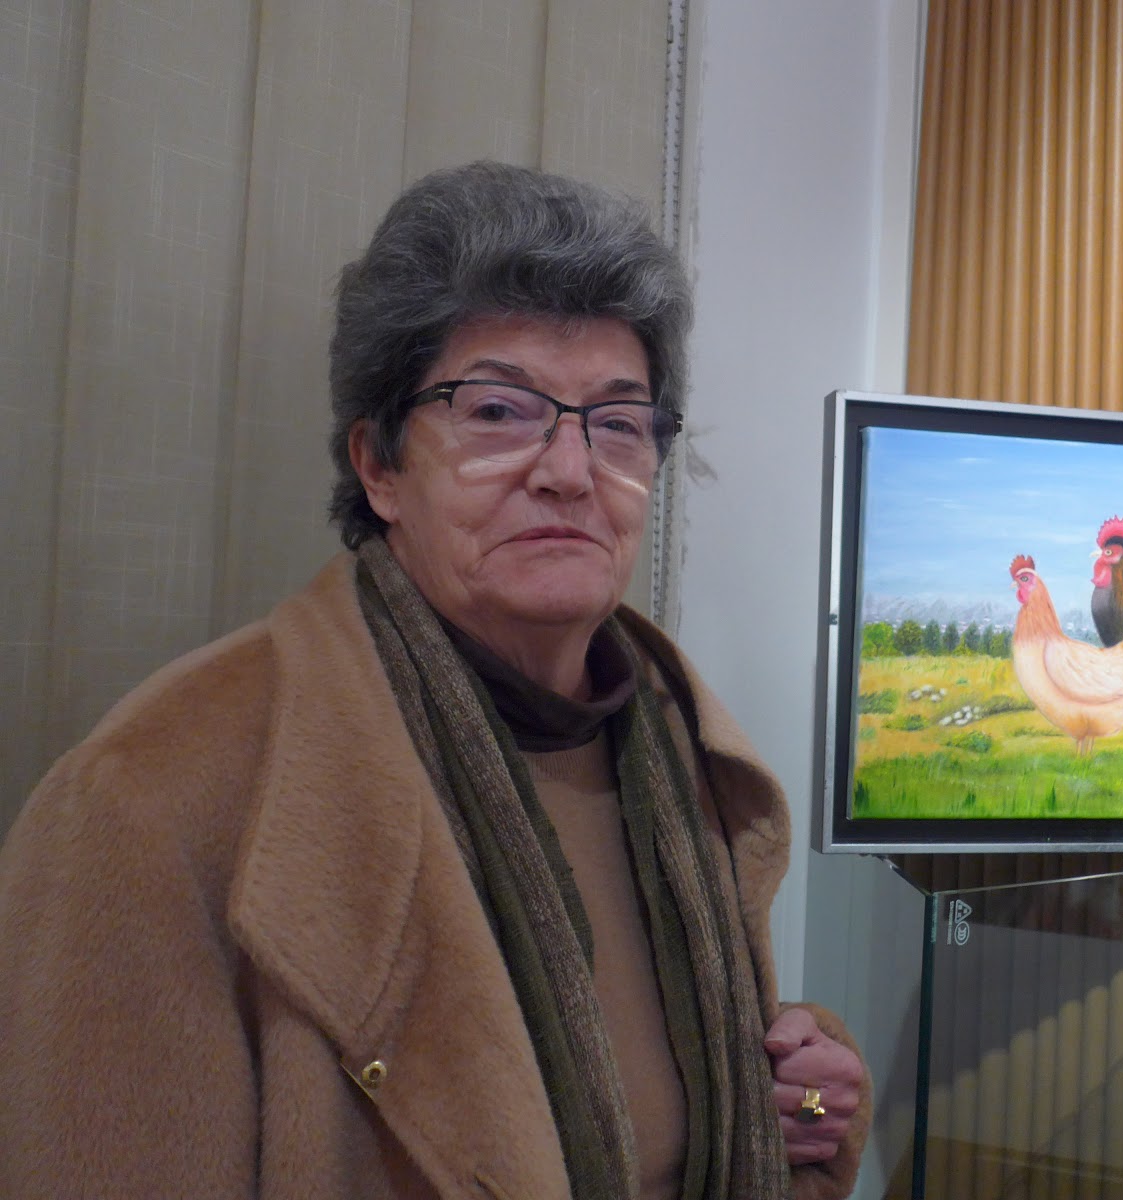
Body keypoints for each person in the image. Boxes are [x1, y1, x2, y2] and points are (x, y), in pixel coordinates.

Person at [0, 162, 867, 1199]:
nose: (568, 471)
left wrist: (799, 1093)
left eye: (617, 422)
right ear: (379, 466)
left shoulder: (684, 754)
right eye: (497, 410)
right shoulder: (152, 797)